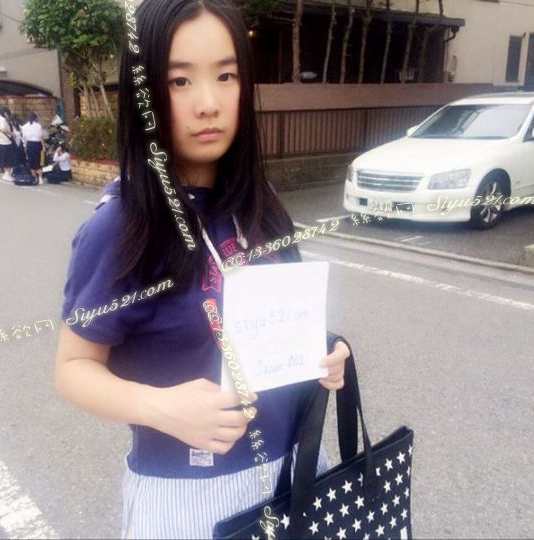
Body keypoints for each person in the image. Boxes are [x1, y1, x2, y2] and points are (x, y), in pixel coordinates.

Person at [54, 1, 351, 538]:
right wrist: (160, 407)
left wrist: (325, 353)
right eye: (180, 81)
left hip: (295, 470)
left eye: (226, 76)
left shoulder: (260, 203)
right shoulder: (122, 225)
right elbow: (72, 366)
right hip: (188, 496)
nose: (209, 104)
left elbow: (279, 321)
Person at [0, 106, 16, 181]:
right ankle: (7, 174)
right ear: (5, 113)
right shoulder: (2, 119)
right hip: (6, 141)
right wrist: (11, 133)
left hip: (0, 141)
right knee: (8, 159)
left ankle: (6, 173)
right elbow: (4, 129)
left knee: (4, 158)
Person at [21, 112, 45, 184]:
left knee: (31, 162)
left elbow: (25, 139)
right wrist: (43, 146)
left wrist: (25, 147)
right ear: (35, 118)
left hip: (29, 144)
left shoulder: (24, 126)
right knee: (38, 161)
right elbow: (41, 137)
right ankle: (40, 178)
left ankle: (34, 178)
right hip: (37, 144)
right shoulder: (38, 126)